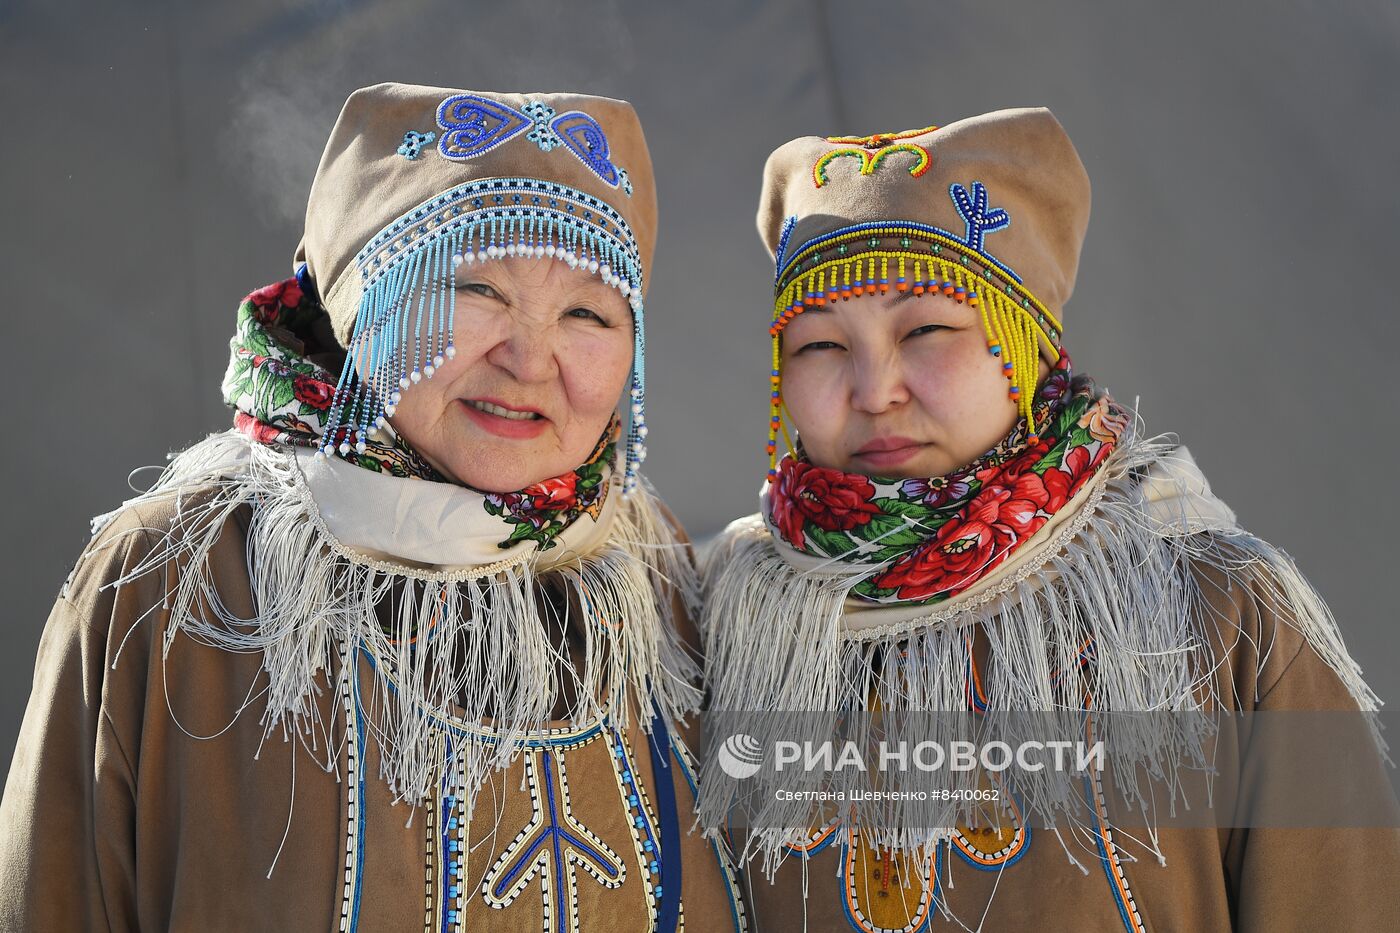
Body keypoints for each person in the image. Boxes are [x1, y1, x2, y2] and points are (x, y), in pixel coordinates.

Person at [0, 82, 746, 932]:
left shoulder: (657, 574)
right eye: (476, 288)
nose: (530, 358)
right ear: (359, 304)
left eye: (587, 311)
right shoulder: (174, 582)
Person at [699, 109, 1400, 930]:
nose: (875, 388)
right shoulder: (722, 619)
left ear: (1028, 344)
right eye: (820, 345)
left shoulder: (1217, 613)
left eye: (927, 328)